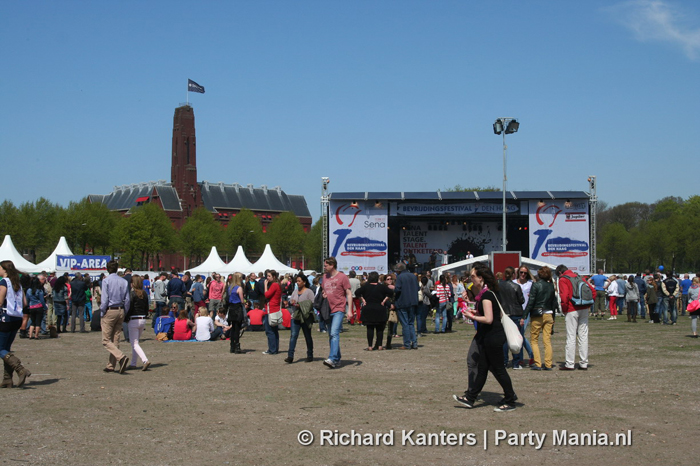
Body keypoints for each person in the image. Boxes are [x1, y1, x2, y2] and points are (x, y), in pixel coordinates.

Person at [453, 262, 517, 412]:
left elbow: (489, 319)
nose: (471, 279)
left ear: (481, 278)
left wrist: (472, 316)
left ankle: (510, 400)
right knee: (483, 368)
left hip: (493, 336)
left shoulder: (487, 295)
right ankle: (470, 398)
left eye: (473, 276)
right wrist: (476, 313)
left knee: (499, 369)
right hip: (489, 336)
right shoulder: (485, 294)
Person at [556, 265, 595, 371]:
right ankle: (583, 363)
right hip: (584, 308)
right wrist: (588, 305)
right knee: (583, 336)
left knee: (571, 336)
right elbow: (592, 291)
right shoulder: (579, 277)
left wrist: (564, 309)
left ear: (560, 273)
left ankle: (570, 363)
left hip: (571, 309)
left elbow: (564, 297)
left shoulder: (563, 279)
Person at [0, 261, 31, 387]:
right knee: (6, 349)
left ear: (4, 269)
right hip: (17, 318)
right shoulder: (17, 283)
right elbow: (24, 303)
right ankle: (7, 380)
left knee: (1, 349)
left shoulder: (4, 282)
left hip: (5, 318)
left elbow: (0, 301)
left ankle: (20, 369)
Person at [321, 257, 353, 368]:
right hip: (328, 309)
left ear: (332, 265)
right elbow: (324, 290)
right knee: (331, 334)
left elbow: (349, 293)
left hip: (339, 309)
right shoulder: (324, 277)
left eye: (326, 265)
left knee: (334, 333)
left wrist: (350, 310)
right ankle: (337, 359)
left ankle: (332, 358)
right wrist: (323, 294)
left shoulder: (342, 277)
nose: (324, 267)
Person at [99, 260, 131, 374]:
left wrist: (102, 312)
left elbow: (104, 299)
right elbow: (127, 299)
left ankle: (120, 357)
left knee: (106, 340)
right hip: (121, 309)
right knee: (115, 338)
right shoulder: (123, 281)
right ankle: (111, 365)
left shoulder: (106, 281)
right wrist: (125, 312)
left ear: (107, 269)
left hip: (110, 310)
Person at [524, 267, 557, 371]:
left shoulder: (536, 285)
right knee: (547, 340)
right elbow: (553, 303)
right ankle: (548, 364)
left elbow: (531, 301)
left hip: (537, 314)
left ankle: (537, 363)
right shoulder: (551, 286)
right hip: (549, 314)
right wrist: (554, 318)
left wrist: (524, 315)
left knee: (534, 340)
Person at [355, 272, 392, 351]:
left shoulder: (366, 287)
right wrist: (384, 300)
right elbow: (391, 292)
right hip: (380, 308)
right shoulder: (382, 287)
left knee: (370, 328)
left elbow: (357, 292)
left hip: (368, 308)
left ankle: (370, 346)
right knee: (380, 329)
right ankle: (380, 346)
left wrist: (363, 300)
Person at [498, 267, 525, 369]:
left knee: (505, 339)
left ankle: (504, 361)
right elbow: (521, 300)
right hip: (516, 313)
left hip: (504, 314)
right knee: (516, 338)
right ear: (514, 274)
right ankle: (516, 362)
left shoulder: (499, 286)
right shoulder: (516, 286)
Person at [285, 273, 315, 362]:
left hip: (305, 317)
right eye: (296, 281)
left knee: (307, 336)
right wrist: (290, 302)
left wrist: (301, 305)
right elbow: (291, 301)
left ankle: (310, 355)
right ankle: (290, 356)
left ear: (304, 282)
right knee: (293, 336)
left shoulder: (309, 292)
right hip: (295, 316)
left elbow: (312, 303)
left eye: (299, 281)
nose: (297, 283)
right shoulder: (295, 291)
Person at [125, 276, 151, 370]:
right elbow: (146, 307)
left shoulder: (132, 294)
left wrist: (126, 317)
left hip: (134, 319)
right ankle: (133, 363)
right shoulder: (144, 294)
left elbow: (130, 307)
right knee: (135, 343)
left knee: (134, 343)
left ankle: (145, 360)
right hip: (142, 318)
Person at [513, 266, 535, 367]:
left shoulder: (530, 284)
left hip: (526, 312)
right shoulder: (514, 283)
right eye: (521, 272)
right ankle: (526, 357)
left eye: (525, 273)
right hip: (515, 311)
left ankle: (528, 356)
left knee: (520, 335)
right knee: (519, 336)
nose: (523, 275)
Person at [394, 262, 419, 350]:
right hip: (413, 302)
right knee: (411, 323)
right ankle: (414, 343)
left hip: (403, 302)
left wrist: (392, 288)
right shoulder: (413, 276)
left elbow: (397, 289)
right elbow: (418, 288)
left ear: (398, 270)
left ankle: (407, 344)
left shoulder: (400, 277)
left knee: (405, 324)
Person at [221, 272, 246, 353]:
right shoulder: (239, 288)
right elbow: (242, 300)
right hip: (237, 308)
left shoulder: (230, 288)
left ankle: (232, 346)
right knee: (237, 329)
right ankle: (237, 346)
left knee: (233, 328)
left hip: (231, 308)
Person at [262, 270, 282, 355]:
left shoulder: (274, 285)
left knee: (269, 330)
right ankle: (274, 348)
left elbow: (267, 295)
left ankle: (272, 349)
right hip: (275, 309)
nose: (267, 278)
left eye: (269, 276)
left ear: (274, 277)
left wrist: (265, 286)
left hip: (271, 310)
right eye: (267, 276)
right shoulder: (278, 285)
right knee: (274, 330)